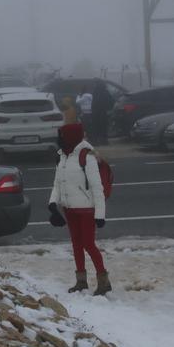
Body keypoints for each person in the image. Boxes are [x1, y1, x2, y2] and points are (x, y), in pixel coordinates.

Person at [48, 122, 110, 295]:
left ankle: (103, 281)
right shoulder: (61, 156)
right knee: (76, 244)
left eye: (62, 136)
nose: (59, 139)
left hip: (86, 210)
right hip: (69, 208)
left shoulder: (87, 156)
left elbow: (98, 187)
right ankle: (81, 281)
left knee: (88, 244)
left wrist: (100, 214)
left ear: (71, 137)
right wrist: (53, 204)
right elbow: (57, 183)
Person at [92, 80, 113, 146]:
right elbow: (111, 101)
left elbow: (93, 102)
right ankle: (104, 141)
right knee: (103, 126)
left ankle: (95, 141)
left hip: (95, 112)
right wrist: (109, 108)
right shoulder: (105, 92)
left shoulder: (95, 92)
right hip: (103, 112)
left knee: (96, 126)